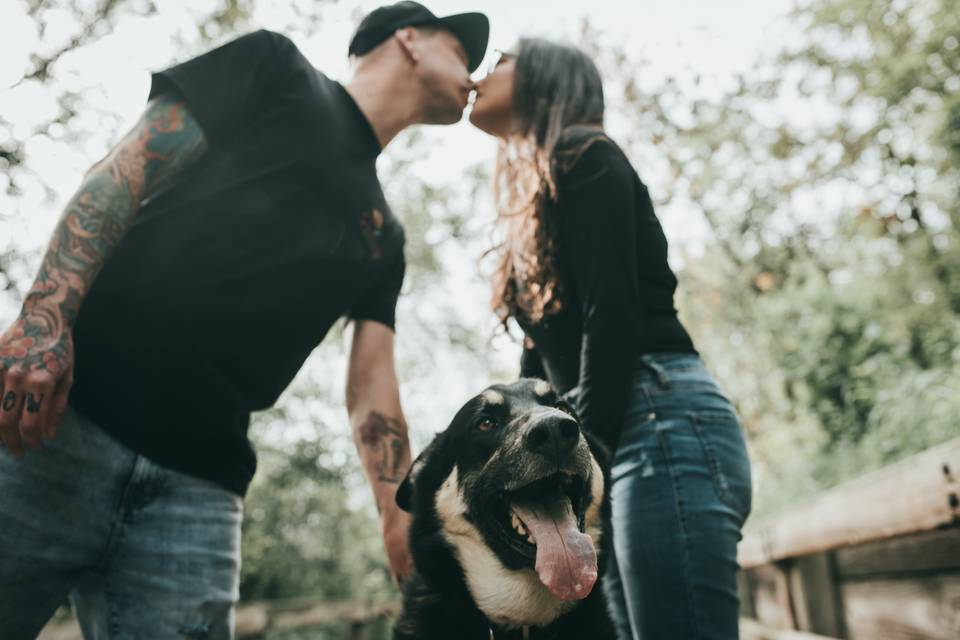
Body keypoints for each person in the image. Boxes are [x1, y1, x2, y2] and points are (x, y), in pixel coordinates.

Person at [0, 3, 489, 638]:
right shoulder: (275, 67)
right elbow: (127, 170)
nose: (474, 72)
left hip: (196, 494)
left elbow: (370, 390)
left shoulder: (385, 237)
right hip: (57, 428)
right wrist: (44, 316)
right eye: (463, 51)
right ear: (410, 40)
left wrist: (400, 517)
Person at [469, 40, 753, 639]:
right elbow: (539, 372)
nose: (483, 72)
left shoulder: (583, 153)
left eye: (501, 59)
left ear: (546, 78)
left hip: (658, 421)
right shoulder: (541, 192)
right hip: (622, 432)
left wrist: (579, 463)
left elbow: (613, 315)